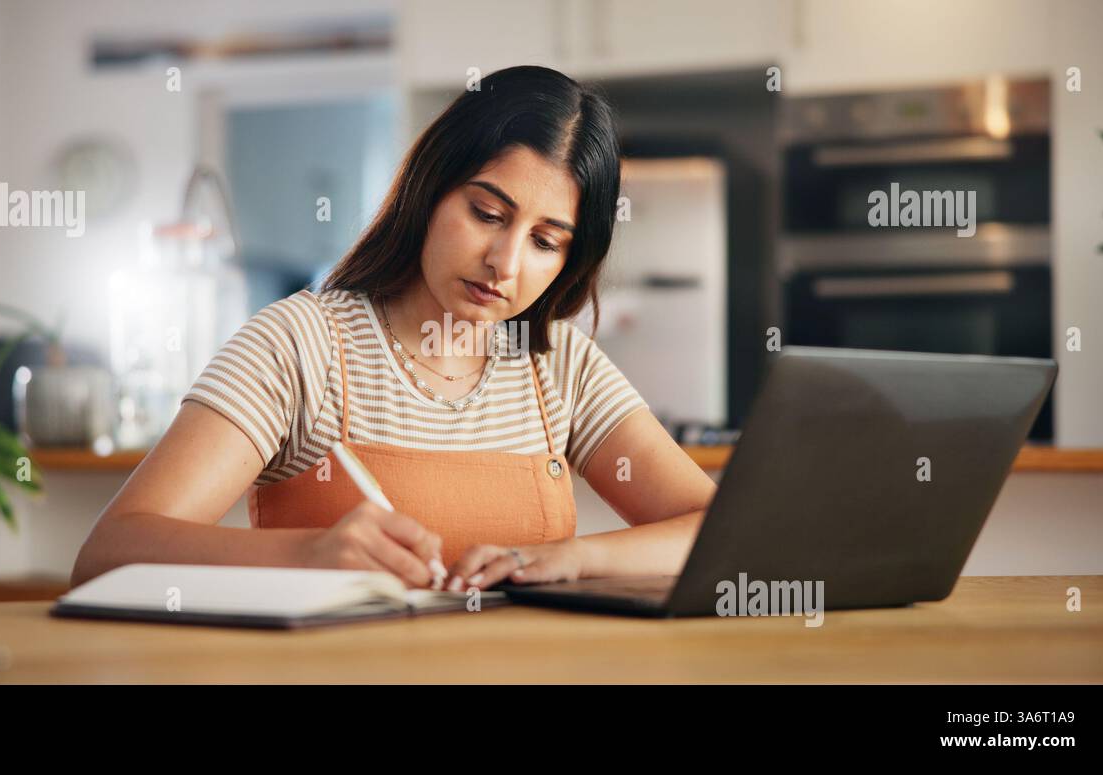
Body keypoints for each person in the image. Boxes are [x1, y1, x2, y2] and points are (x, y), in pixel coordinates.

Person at [71, 65, 717, 592]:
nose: (506, 263)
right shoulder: (302, 344)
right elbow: (110, 551)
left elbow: (715, 529)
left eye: (547, 241)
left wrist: (573, 557)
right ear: (429, 187)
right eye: (488, 213)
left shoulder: (560, 367)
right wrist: (308, 554)